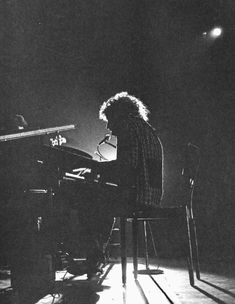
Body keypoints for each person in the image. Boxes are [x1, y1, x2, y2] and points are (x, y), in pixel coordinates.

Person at [67, 92, 163, 278]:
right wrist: (101, 172)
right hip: (150, 196)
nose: (110, 127)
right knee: (100, 200)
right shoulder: (146, 129)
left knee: (82, 197)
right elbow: (132, 169)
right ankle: (95, 257)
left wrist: (95, 168)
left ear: (119, 114)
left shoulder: (128, 127)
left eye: (110, 120)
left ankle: (92, 257)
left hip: (136, 198)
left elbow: (125, 169)